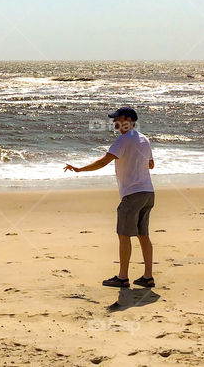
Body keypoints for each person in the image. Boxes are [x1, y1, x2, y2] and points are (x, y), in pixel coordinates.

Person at [64, 107, 156, 288]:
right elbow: (151, 165)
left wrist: (79, 169)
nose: (114, 122)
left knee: (123, 235)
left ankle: (122, 277)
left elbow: (103, 162)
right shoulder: (144, 139)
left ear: (128, 120)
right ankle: (148, 277)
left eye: (118, 118)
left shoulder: (123, 139)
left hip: (132, 194)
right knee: (143, 235)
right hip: (148, 192)